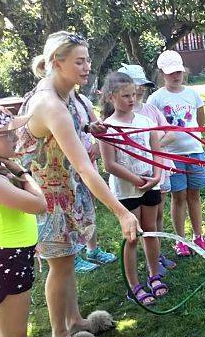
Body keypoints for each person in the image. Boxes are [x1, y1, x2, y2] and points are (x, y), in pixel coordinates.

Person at [16, 31, 141, 337]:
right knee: (59, 266)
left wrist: (89, 126)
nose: (87, 67)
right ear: (57, 63)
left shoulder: (70, 94)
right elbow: (84, 167)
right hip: (47, 198)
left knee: (67, 261)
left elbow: (74, 128)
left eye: (87, 60)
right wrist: (122, 212)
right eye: (79, 61)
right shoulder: (48, 103)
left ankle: (75, 321)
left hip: (66, 191)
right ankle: (61, 332)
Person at [0, 104, 46, 337]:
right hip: (3, 261)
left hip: (12, 255)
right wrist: (23, 174)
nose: (15, 137)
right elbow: (39, 205)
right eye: (7, 134)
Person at [99, 71, 168, 305]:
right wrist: (137, 180)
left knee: (151, 230)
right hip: (126, 190)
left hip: (150, 184)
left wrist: (156, 177)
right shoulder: (107, 128)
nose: (132, 100)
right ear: (111, 97)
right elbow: (109, 164)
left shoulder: (146, 122)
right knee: (132, 238)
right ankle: (134, 285)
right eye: (126, 96)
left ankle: (153, 274)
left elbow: (156, 153)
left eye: (134, 95)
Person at [146, 50, 205, 257]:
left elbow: (200, 121)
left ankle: (198, 235)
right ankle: (180, 239)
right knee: (178, 196)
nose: (176, 76)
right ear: (162, 74)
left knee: (194, 194)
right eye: (171, 73)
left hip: (194, 151)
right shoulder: (155, 98)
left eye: (179, 72)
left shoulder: (193, 94)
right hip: (170, 156)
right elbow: (153, 127)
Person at [117, 64, 177, 273]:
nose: (140, 90)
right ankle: (148, 261)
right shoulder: (115, 118)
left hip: (156, 171)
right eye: (135, 86)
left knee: (157, 214)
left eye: (143, 86)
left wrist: (152, 144)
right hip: (132, 180)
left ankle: (156, 255)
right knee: (137, 224)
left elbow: (171, 133)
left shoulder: (150, 111)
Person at [71, 90, 117, 273]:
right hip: (67, 166)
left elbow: (96, 125)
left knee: (89, 203)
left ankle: (92, 249)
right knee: (71, 208)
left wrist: (97, 144)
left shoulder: (82, 100)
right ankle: (73, 255)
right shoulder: (53, 102)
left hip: (87, 161)